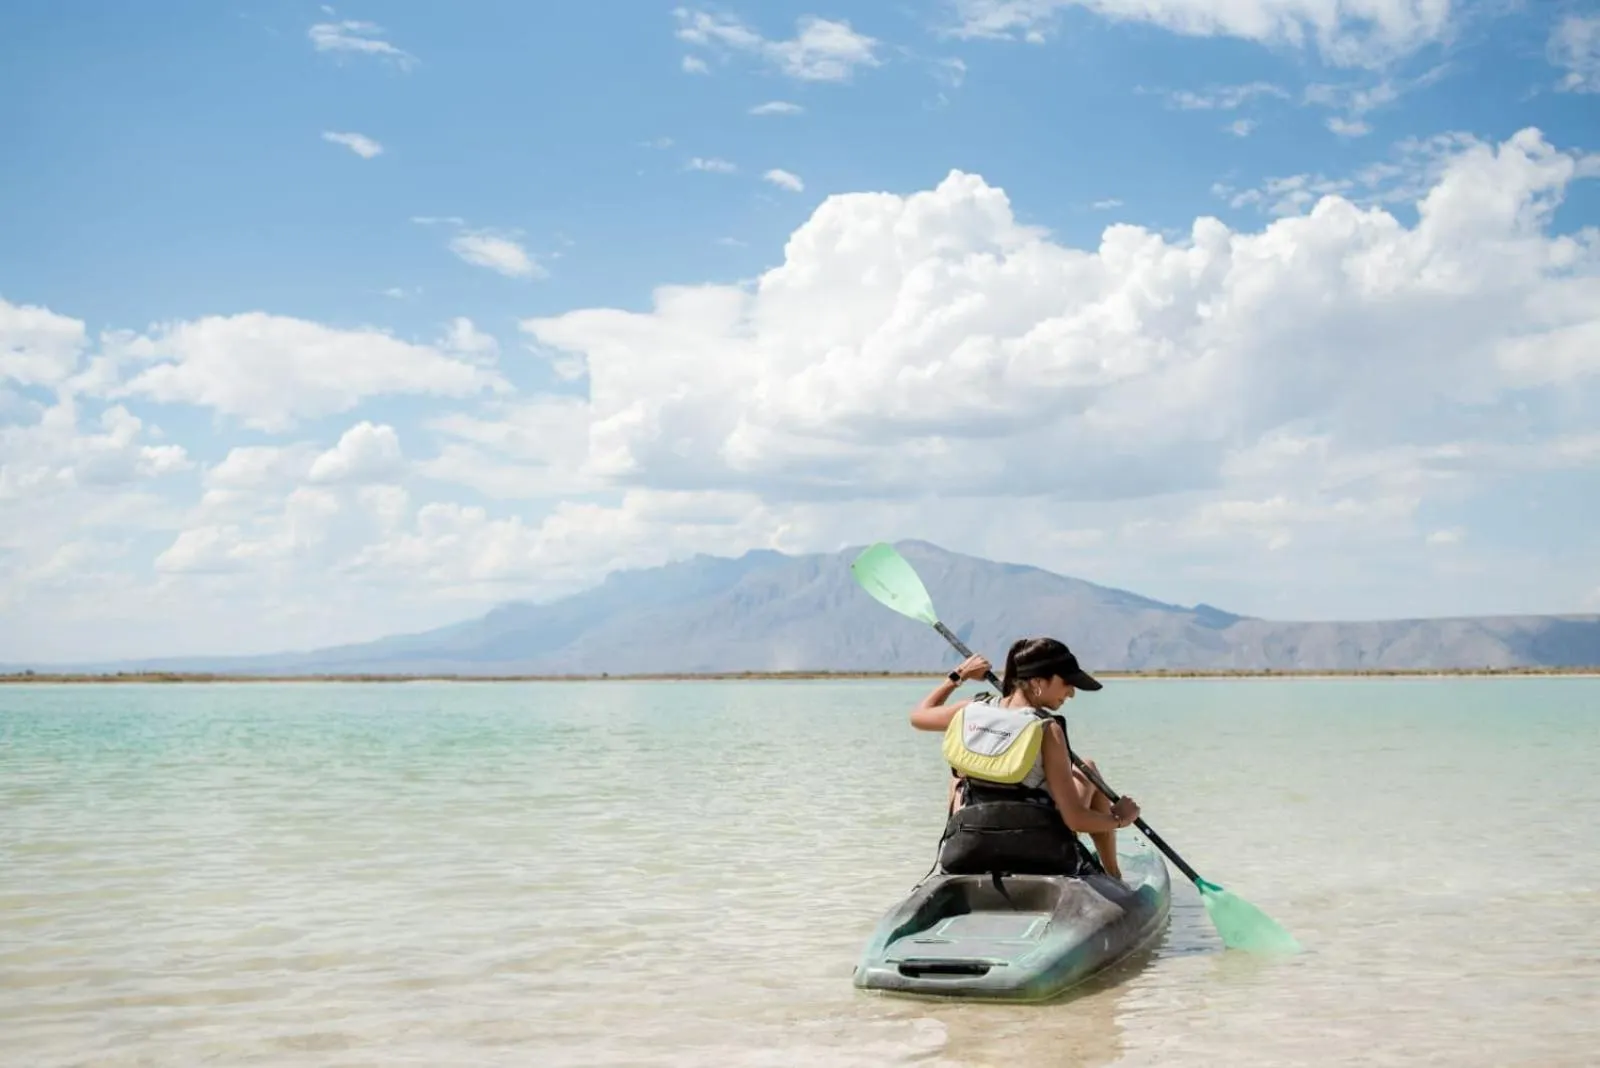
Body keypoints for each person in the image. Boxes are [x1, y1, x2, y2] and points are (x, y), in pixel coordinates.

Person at [909, 636, 1140, 880]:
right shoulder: (1046, 729)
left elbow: (918, 716)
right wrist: (1120, 819)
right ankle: (1114, 876)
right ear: (1038, 682)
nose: (1071, 693)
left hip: (968, 846)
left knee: (958, 781)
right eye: (1066, 683)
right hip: (1037, 850)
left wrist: (959, 675)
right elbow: (1076, 820)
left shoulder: (970, 710)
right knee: (1088, 768)